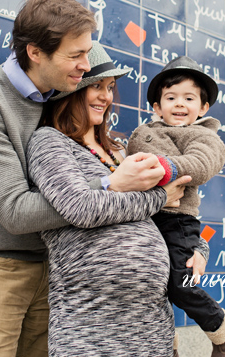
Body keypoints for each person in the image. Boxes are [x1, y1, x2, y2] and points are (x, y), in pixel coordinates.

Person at [0, 0, 174, 357]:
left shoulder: (54, 95)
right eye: (76, 55)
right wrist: (111, 185)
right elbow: (15, 211)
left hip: (56, 268)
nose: (87, 66)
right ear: (35, 52)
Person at [26, 42, 205, 356]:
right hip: (92, 331)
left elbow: (179, 206)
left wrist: (198, 247)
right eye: (95, 86)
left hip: (153, 329)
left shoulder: (122, 151)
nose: (106, 96)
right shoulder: (50, 142)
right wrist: (159, 197)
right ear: (71, 89)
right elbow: (80, 207)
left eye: (109, 87)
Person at [127, 56, 225, 357]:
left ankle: (224, 331)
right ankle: (169, 349)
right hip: (144, 220)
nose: (180, 104)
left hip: (179, 222)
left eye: (189, 98)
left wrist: (159, 168)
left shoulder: (205, 135)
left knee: (181, 284)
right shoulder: (142, 134)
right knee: (152, 287)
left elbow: (202, 164)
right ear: (156, 106)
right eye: (171, 97)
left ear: (203, 108)